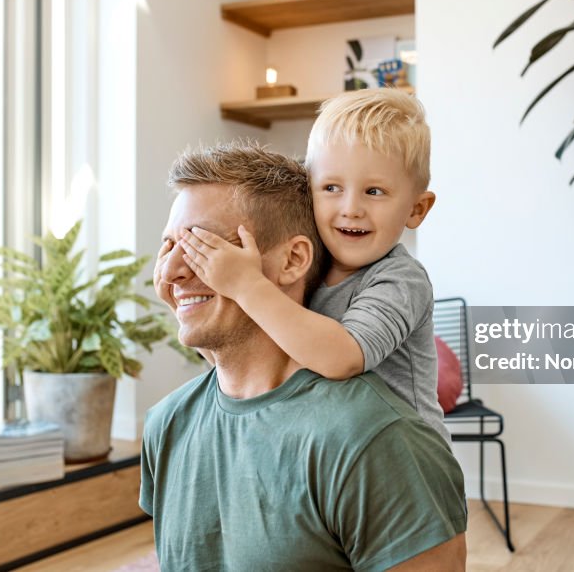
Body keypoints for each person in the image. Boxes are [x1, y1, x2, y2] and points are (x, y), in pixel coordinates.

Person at [142, 143, 467, 571]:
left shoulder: (375, 442)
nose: (171, 272)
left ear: (293, 260)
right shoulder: (167, 424)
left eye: (202, 245)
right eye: (168, 246)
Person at [177, 89, 450, 443]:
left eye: (374, 192)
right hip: (335, 451)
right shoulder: (307, 267)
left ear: (417, 209)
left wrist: (246, 286)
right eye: (332, 187)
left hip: (405, 464)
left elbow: (342, 358)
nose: (351, 208)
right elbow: (254, 360)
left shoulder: (400, 279)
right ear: (309, 191)